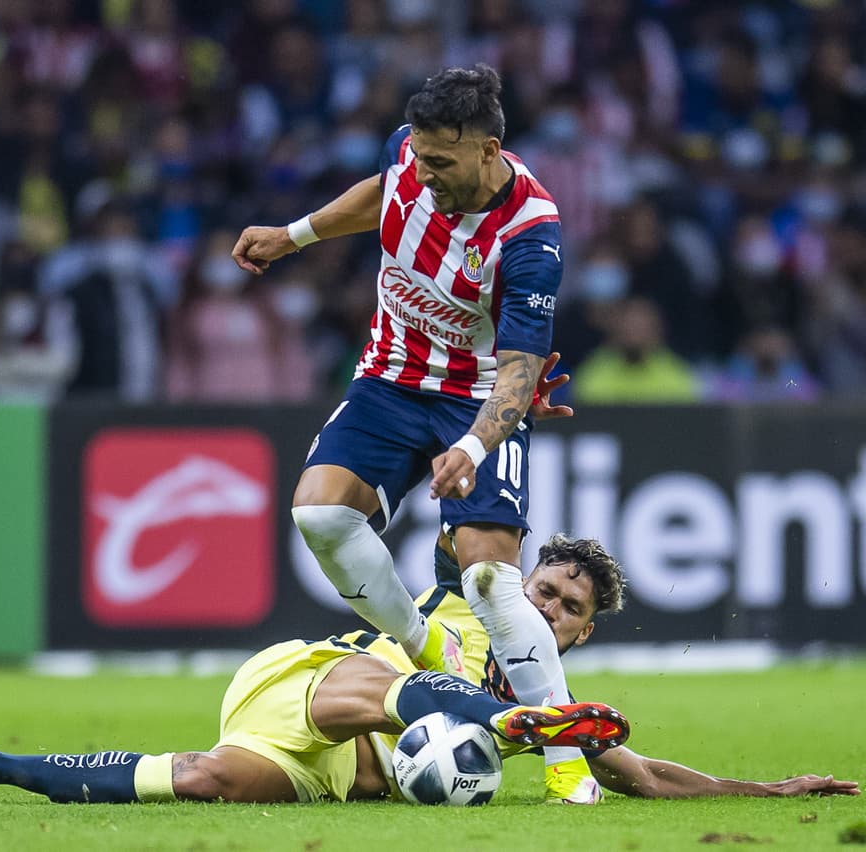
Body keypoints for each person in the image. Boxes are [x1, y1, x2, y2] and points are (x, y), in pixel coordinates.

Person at [230, 64, 592, 802]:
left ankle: (568, 767)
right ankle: (427, 645)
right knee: (319, 514)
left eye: (441, 163)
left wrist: (473, 446)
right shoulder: (410, 155)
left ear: (488, 151)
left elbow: (520, 372)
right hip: (390, 377)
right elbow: (382, 192)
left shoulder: (531, 235)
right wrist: (292, 237)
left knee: (489, 579)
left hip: (476, 396)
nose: (424, 174)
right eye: (419, 157)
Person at [0, 531, 859, 804]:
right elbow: (463, 538)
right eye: (541, 590)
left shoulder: (557, 692)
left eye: (567, 608)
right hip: (310, 681)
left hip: (324, 761)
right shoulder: (470, 602)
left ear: (580, 635)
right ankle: (486, 725)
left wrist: (766, 791)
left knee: (206, 780)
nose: (545, 609)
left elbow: (640, 776)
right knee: (410, 695)